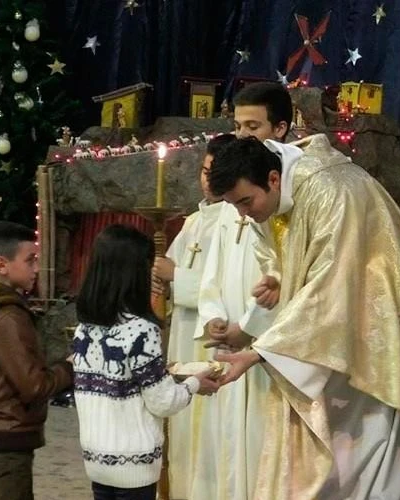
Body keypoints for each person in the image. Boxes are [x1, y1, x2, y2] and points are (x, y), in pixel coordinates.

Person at [208, 134, 400, 499]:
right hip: (326, 325)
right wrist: (279, 276)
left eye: (245, 201)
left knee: (366, 446)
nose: (243, 214)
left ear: (273, 179)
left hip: (372, 325)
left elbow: (333, 282)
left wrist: (259, 353)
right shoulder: (279, 189)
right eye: (234, 206)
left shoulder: (331, 190)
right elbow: (285, 251)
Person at [185, 82, 289, 500]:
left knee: (261, 446)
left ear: (280, 129)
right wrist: (214, 316)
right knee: (226, 446)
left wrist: (248, 327)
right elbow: (213, 272)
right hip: (231, 342)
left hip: (266, 347)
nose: (243, 135)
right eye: (238, 126)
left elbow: (284, 277)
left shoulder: (283, 195)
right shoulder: (234, 201)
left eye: (253, 126)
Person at [72, 225, 220, 500]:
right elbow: (162, 402)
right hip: (134, 463)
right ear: (136, 272)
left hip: (96, 459)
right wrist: (194, 383)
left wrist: (165, 375)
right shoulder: (141, 329)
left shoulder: (84, 329)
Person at [0, 221, 73, 500]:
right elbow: (34, 385)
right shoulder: (7, 316)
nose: (37, 268)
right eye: (30, 260)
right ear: (1, 265)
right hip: (6, 433)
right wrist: (71, 368)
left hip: (0, 430)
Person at [150, 133, 233, 499]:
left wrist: (176, 277)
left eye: (214, 172)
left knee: (209, 437)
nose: (207, 180)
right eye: (203, 171)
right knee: (182, 432)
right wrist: (160, 280)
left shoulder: (237, 222)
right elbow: (166, 274)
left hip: (212, 341)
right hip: (184, 333)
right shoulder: (194, 222)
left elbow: (230, 289)